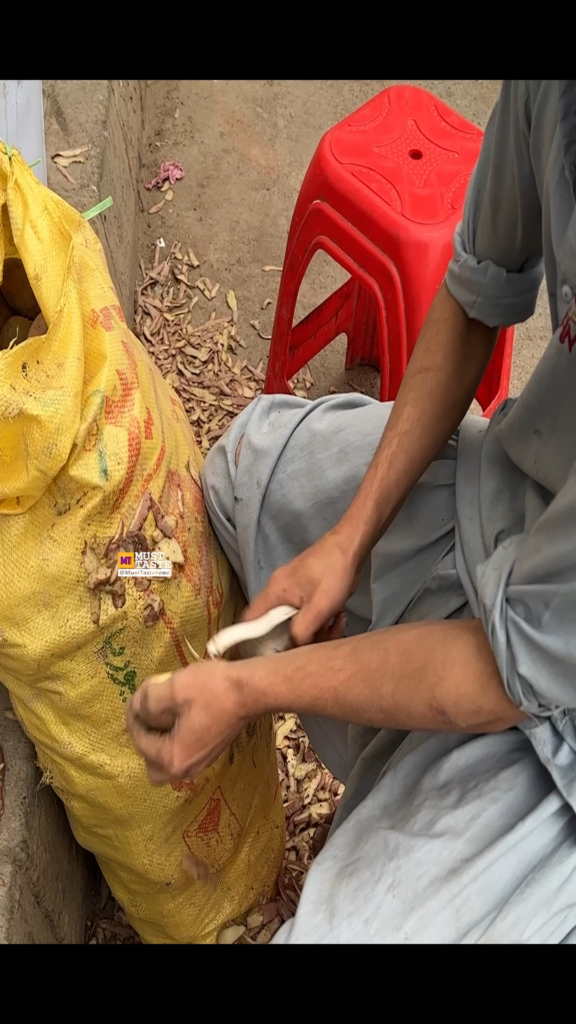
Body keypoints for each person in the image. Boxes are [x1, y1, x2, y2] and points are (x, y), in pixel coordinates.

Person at [126, 81, 576, 943]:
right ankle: (399, 764)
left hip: (557, 730)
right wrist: (346, 539)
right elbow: (479, 289)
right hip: (526, 511)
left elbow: (497, 677)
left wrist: (247, 688)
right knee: (247, 474)